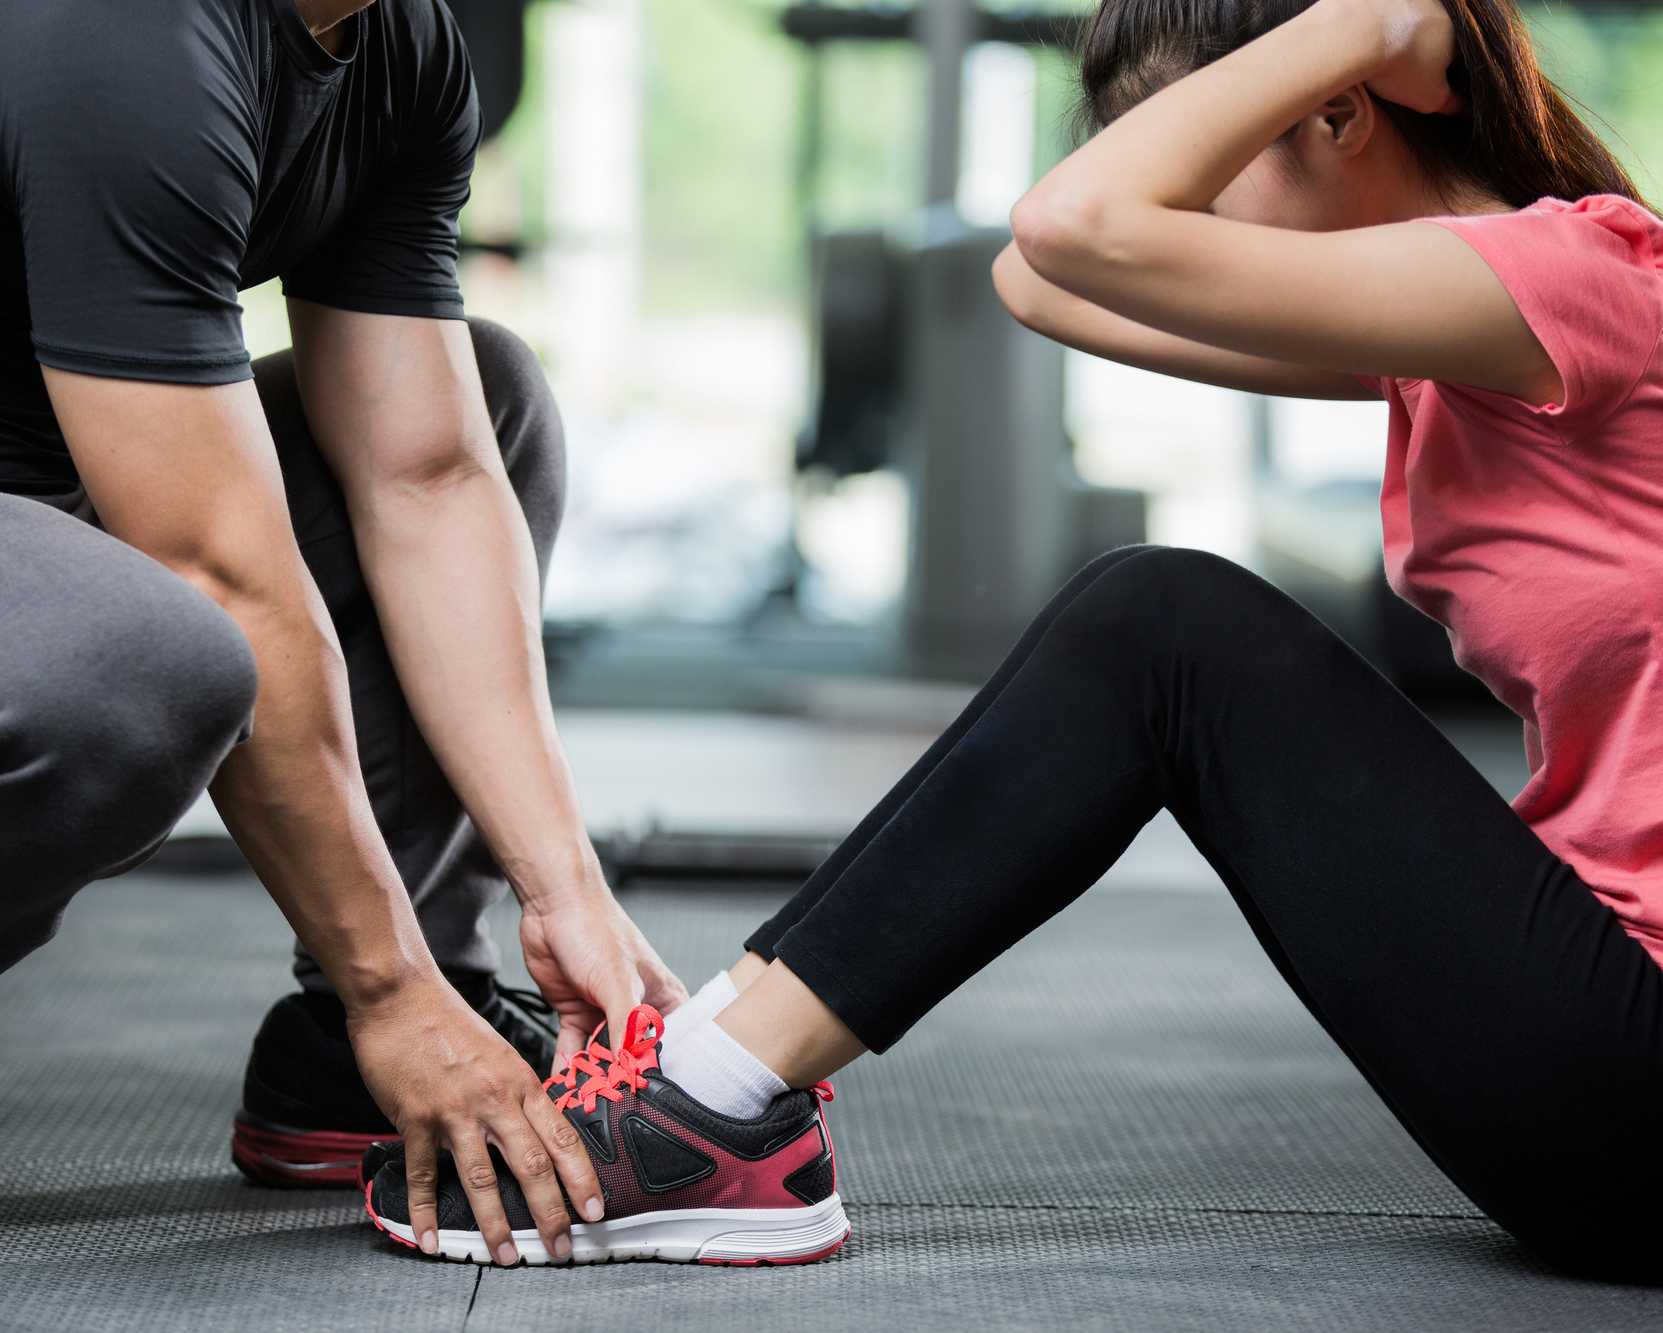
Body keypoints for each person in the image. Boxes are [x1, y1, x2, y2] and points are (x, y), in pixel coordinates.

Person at [369, 0, 1663, 1279]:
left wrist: (1363, 27)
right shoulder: (1450, 345)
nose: (1188, 228)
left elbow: (1071, 229)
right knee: (1152, 618)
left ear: (1334, 112)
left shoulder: (1581, 277)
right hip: (1599, 1032)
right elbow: (1037, 276)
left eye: (1209, 177)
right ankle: (710, 1063)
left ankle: (713, 1099)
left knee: (1165, 625)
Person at [0, 0, 686, 1257]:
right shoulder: (123, 34)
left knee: (486, 397)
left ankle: (376, 1036)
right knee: (143, 649)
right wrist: (390, 993)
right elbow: (212, 570)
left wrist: (566, 889)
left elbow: (421, 478)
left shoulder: (400, 47)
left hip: (53, 530)